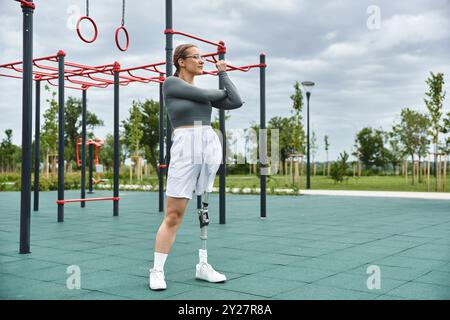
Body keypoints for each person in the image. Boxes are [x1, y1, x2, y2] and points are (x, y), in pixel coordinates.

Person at [149, 44, 244, 290]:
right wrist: (217, 91)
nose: (202, 61)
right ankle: (157, 270)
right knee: (174, 214)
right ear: (181, 61)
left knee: (204, 208)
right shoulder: (170, 84)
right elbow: (209, 97)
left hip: (209, 143)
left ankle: (203, 265)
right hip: (185, 145)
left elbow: (236, 101)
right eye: (196, 57)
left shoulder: (199, 91)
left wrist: (223, 73)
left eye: (202, 57)